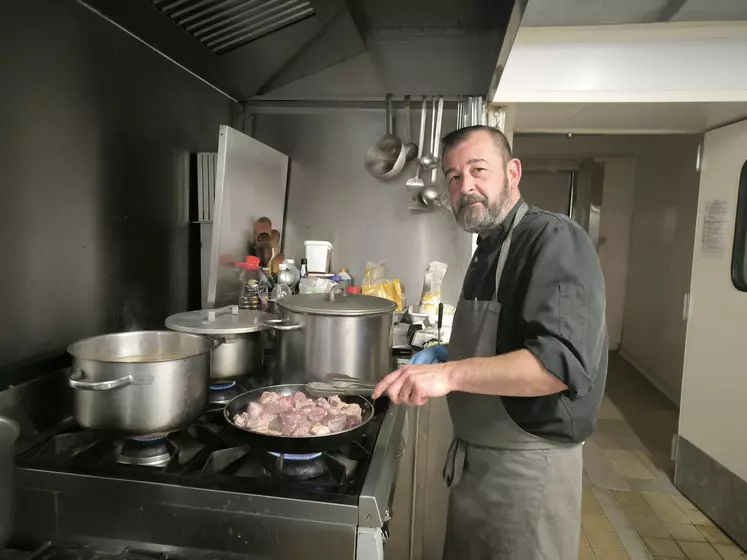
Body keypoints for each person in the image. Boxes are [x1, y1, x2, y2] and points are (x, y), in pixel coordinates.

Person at [372, 125, 608, 559]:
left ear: (512, 172)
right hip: (479, 465)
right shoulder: (489, 247)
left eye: (478, 170)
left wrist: (451, 372)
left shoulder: (551, 238)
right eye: (454, 176)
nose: (466, 186)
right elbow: (504, 341)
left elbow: (558, 366)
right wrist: (449, 354)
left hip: (525, 473)